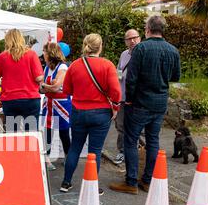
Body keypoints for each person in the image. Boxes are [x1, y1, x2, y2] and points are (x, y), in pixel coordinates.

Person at [109, 15, 181, 195]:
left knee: (130, 140)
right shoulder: (173, 50)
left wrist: (130, 99)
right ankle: (148, 180)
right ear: (162, 29)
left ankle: (131, 181)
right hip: (160, 102)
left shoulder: (140, 49)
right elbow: (175, 77)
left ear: (147, 29)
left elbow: (131, 79)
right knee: (153, 140)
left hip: (140, 102)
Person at [60, 34, 121, 195]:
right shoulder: (107, 65)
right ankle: (92, 186)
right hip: (100, 113)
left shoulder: (74, 65)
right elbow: (116, 91)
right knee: (95, 151)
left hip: (79, 111)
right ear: (100, 47)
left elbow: (67, 90)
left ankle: (66, 182)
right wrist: (115, 107)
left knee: (75, 147)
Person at [0, 29, 44, 132]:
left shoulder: (2, 56)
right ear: (21, 39)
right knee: (31, 133)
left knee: (12, 133)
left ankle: (15, 148)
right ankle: (29, 148)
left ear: (7, 40)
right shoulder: (31, 54)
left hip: (10, 99)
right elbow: (39, 77)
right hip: (30, 98)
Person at [40, 42, 71, 171]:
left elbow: (56, 87)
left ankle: (68, 157)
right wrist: (47, 87)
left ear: (50, 53)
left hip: (61, 104)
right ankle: (46, 160)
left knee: (64, 133)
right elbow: (41, 89)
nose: (43, 54)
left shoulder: (62, 67)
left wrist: (45, 86)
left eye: (44, 51)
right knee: (47, 132)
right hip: (48, 103)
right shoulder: (47, 67)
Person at [113, 29, 141, 165]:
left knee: (136, 126)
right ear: (125, 41)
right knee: (120, 125)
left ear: (140, 38)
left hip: (137, 98)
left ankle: (136, 152)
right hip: (123, 96)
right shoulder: (124, 54)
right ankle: (122, 151)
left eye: (135, 38)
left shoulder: (143, 53)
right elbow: (119, 70)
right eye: (129, 39)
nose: (132, 41)